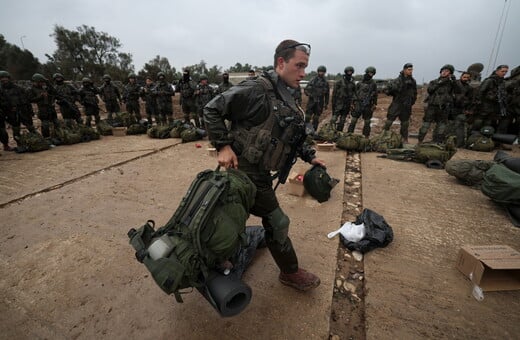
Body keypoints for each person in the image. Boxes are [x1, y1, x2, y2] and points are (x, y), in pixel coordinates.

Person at [204, 39, 325, 291]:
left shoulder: (287, 94)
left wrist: (309, 155)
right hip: (244, 170)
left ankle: (220, 258)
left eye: (306, 67)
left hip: (260, 172)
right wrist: (222, 146)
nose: (303, 74)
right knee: (275, 222)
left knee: (234, 219)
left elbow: (290, 134)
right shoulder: (256, 89)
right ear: (281, 63)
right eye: (299, 66)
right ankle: (289, 272)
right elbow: (211, 109)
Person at [418, 64, 457, 143]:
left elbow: (458, 90)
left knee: (441, 126)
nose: (444, 72)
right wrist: (440, 83)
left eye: (447, 71)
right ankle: (420, 141)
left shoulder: (451, 84)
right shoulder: (434, 82)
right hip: (432, 106)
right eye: (443, 71)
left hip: (444, 108)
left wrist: (454, 81)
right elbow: (430, 90)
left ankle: (437, 142)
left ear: (450, 73)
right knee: (426, 124)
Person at [0, 70, 36, 147]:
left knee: (31, 127)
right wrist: (8, 108)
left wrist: (30, 111)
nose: (4, 79)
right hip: (11, 113)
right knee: (16, 130)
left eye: (5, 77)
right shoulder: (1, 90)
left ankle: (37, 142)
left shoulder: (18, 88)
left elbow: (26, 100)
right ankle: (20, 145)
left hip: (23, 111)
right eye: (2, 78)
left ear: (9, 78)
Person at [383, 63, 417, 143]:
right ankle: (383, 135)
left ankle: (404, 139)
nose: (411, 71)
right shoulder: (397, 80)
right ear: (404, 70)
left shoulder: (413, 81)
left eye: (411, 70)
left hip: (407, 105)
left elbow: (415, 93)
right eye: (409, 70)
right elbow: (387, 91)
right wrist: (393, 90)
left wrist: (412, 101)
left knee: (405, 123)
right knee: (389, 121)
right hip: (397, 103)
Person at [475, 65, 509, 134]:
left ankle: (484, 140)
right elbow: (480, 92)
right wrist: (479, 104)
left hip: (493, 107)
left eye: (506, 71)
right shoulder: (490, 80)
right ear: (497, 71)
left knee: (488, 124)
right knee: (478, 123)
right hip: (484, 106)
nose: (504, 73)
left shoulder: (502, 82)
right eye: (502, 71)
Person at [27, 73, 60, 138]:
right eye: (40, 82)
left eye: (42, 82)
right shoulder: (31, 89)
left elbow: (55, 92)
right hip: (42, 109)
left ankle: (58, 136)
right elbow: (30, 99)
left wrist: (48, 83)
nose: (42, 83)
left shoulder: (45, 88)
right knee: (45, 125)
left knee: (56, 123)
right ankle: (47, 138)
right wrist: (41, 97)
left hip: (51, 108)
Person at [348, 67, 378, 137]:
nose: (371, 75)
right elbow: (354, 93)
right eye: (369, 73)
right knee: (354, 120)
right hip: (358, 103)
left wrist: (374, 104)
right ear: (366, 72)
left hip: (368, 104)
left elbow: (375, 94)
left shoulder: (373, 84)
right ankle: (349, 134)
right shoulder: (359, 83)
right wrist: (352, 103)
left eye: (372, 73)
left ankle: (366, 136)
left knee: (367, 122)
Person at [451, 71, 474, 147]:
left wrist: (468, 109)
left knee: (459, 126)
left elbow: (470, 100)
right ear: (461, 77)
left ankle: (458, 143)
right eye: (464, 77)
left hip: (461, 109)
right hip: (451, 108)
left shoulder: (469, 88)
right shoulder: (454, 83)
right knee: (449, 125)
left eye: (467, 77)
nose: (466, 79)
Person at [304, 65, 329, 130]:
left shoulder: (326, 83)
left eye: (323, 72)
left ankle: (313, 131)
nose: (321, 73)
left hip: (320, 102)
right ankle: (306, 129)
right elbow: (306, 90)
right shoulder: (313, 80)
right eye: (320, 71)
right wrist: (310, 95)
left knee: (316, 118)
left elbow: (327, 94)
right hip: (311, 101)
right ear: (318, 72)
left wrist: (326, 103)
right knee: (307, 117)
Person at [331, 66, 356, 132]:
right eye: (348, 72)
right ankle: (330, 131)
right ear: (346, 72)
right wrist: (333, 103)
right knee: (334, 118)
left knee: (342, 120)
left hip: (347, 104)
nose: (349, 73)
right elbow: (334, 94)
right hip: (339, 103)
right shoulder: (339, 82)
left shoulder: (352, 83)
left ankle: (339, 132)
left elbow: (354, 94)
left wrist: (353, 103)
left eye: (350, 72)